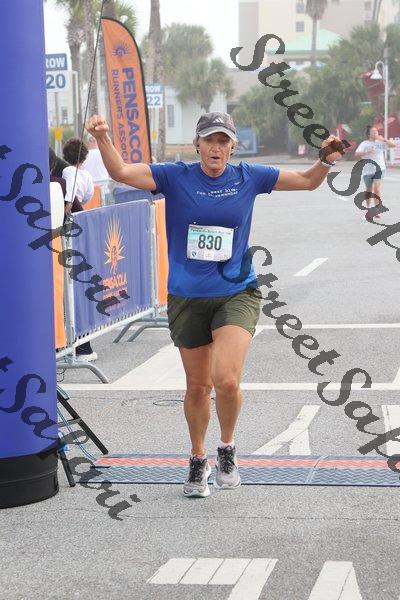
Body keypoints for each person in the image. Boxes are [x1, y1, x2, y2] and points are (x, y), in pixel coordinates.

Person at [86, 111, 344, 498]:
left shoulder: (249, 177)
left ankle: (226, 448)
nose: (216, 147)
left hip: (237, 292)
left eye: (223, 141)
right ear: (197, 144)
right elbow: (121, 172)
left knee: (226, 379)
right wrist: (103, 137)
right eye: (209, 140)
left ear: (232, 146)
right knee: (197, 386)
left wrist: (325, 160)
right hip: (187, 296)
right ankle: (197, 458)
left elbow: (307, 182)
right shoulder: (174, 176)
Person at [62, 138, 97, 361]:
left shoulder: (67, 172)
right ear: (85, 157)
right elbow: (88, 196)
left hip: (70, 222)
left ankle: (76, 343)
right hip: (83, 219)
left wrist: (66, 210)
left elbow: (69, 196)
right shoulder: (87, 175)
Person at [354, 125, 395, 222]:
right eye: (373, 131)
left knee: (376, 189)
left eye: (376, 131)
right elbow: (356, 154)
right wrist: (367, 152)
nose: (376, 132)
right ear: (369, 134)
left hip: (379, 169)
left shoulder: (380, 142)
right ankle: (368, 209)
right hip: (367, 170)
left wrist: (384, 139)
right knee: (369, 190)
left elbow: (393, 145)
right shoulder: (364, 144)